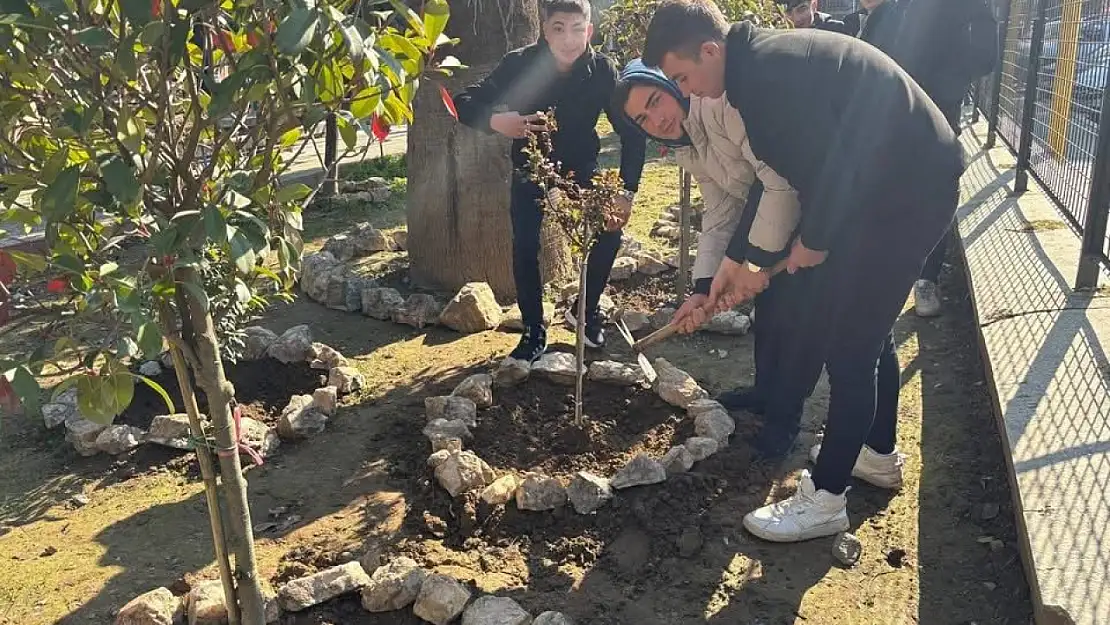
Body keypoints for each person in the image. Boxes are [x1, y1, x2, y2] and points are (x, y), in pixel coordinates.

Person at [642, 0, 964, 542]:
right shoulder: (762, 64)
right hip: (891, 188)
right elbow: (811, 170)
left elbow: (831, 170)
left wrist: (808, 247)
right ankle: (876, 453)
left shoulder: (769, 79)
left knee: (850, 346)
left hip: (907, 193)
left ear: (710, 49)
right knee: (869, 328)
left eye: (682, 76)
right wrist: (746, 267)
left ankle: (826, 499)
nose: (687, 90)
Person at [615, 61, 824, 457]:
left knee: (800, 321)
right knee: (773, 311)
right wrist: (704, 287)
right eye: (642, 118)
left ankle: (785, 420)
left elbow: (775, 183)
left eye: (656, 101)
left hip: (808, 217)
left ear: (674, 86)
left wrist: (751, 262)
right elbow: (720, 210)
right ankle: (765, 391)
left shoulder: (721, 108)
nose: (656, 120)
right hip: (767, 219)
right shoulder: (685, 148)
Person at [454, 0, 646, 365]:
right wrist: (498, 123)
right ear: (545, 29)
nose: (569, 38)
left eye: (577, 28)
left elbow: (632, 134)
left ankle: (584, 311)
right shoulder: (519, 63)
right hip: (530, 166)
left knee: (611, 230)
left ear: (590, 29)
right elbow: (464, 101)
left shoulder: (603, 70)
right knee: (525, 245)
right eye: (559, 27)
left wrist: (626, 192)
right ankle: (533, 329)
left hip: (580, 165)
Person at [854, 0, 998, 317]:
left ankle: (925, 280)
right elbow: (865, 58)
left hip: (937, 119)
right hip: (888, 125)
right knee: (884, 201)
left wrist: (946, 84)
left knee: (933, 204)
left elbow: (985, 56)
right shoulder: (888, 9)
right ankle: (883, 273)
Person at [777, 0, 853, 34]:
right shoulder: (775, 35)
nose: (796, 19)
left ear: (813, 6)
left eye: (802, 9)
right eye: (788, 12)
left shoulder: (837, 31)